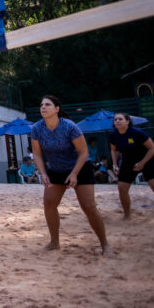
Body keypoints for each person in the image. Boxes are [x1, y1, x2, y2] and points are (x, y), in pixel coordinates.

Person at [30, 95, 109, 254]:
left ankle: (105, 245)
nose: (43, 107)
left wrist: (74, 174)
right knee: (49, 204)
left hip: (79, 168)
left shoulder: (70, 127)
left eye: (47, 104)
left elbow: (84, 152)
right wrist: (43, 173)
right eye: (41, 105)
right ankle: (54, 242)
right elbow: (37, 154)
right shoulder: (37, 128)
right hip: (56, 169)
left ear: (57, 109)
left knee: (89, 207)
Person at [109, 112, 154, 222]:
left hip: (147, 160)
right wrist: (114, 164)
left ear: (127, 121)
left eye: (120, 119)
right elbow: (114, 150)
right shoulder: (113, 135)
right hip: (128, 162)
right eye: (115, 119)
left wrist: (142, 163)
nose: (117, 121)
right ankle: (127, 215)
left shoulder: (138, 133)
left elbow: (152, 149)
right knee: (122, 188)